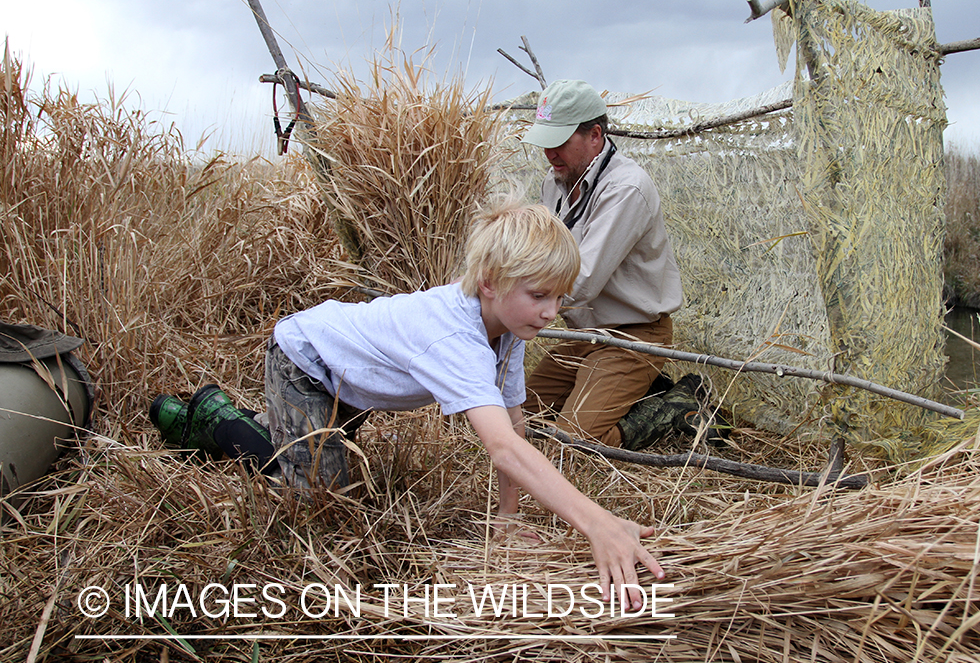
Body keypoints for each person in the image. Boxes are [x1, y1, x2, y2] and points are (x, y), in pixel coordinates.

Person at [149, 200, 663, 608]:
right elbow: (503, 449)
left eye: (559, 297)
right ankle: (213, 419)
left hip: (354, 383)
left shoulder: (509, 324)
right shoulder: (454, 338)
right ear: (489, 281)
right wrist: (597, 521)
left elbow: (514, 423)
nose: (552, 312)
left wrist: (506, 519)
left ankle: (260, 425)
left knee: (306, 450)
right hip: (306, 363)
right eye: (539, 295)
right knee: (324, 507)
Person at [521, 79, 719, 451]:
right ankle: (635, 392)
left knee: (575, 444)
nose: (549, 152)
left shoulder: (627, 188)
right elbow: (544, 254)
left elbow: (579, 282)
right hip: (583, 337)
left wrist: (514, 302)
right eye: (545, 141)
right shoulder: (558, 181)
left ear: (595, 135)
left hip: (632, 336)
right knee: (523, 419)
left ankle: (673, 407)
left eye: (560, 141)